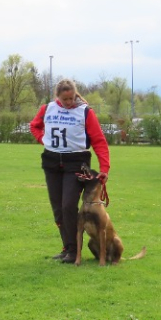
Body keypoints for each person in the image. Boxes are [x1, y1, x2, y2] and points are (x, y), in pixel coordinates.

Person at [29, 79, 110, 264]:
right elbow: (34, 125)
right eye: (65, 99)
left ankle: (74, 251)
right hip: (52, 162)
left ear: (75, 95)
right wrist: (43, 139)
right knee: (58, 208)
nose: (69, 102)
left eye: (71, 98)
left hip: (76, 162)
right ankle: (67, 247)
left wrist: (104, 168)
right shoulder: (47, 109)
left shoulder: (85, 112)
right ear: (57, 96)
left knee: (68, 205)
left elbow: (99, 140)